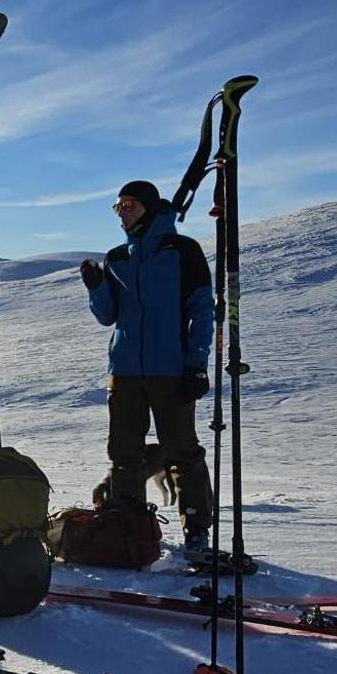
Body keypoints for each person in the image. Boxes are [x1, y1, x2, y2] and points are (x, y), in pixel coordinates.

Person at [81, 180, 216, 558]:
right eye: (118, 207)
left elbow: (202, 310)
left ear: (150, 208)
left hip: (169, 370)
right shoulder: (117, 257)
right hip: (124, 372)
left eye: (129, 205)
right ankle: (128, 525)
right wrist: (95, 287)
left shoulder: (182, 251)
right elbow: (107, 316)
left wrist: (196, 364)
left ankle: (196, 531)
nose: (122, 213)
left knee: (181, 450)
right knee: (124, 452)